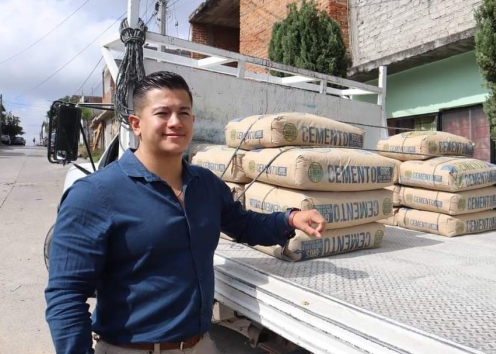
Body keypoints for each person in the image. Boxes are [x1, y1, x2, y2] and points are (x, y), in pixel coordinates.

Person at [45, 71, 327, 354]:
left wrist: (290, 218)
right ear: (136, 124)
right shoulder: (95, 195)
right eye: (162, 113)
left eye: (183, 112)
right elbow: (66, 295)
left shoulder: (205, 184)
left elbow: (243, 225)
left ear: (193, 121)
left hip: (200, 344)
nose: (175, 122)